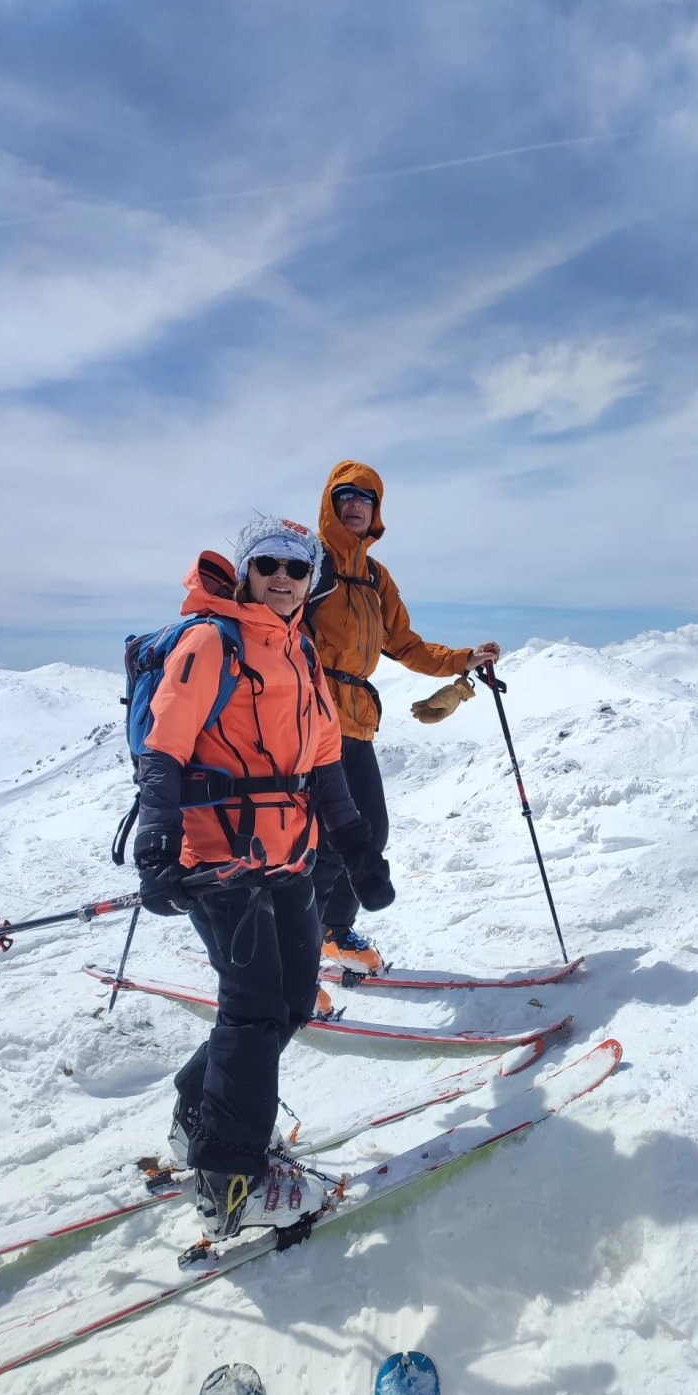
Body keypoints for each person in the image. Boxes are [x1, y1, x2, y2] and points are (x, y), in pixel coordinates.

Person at [133, 515, 394, 1240]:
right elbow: (164, 747)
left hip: (287, 856)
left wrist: (359, 850)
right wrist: (157, 841)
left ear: (313, 580)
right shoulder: (210, 641)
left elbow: (324, 767)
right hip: (219, 858)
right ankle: (230, 1177)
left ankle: (202, 1118)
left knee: (289, 1000)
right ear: (247, 571)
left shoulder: (302, 651)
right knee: (251, 1008)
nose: (282, 578)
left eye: (296, 568)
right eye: (268, 565)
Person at [307, 460, 499, 972]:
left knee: (368, 833)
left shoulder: (374, 577)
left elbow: (405, 645)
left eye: (366, 499)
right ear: (330, 503)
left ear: (376, 512)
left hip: (357, 720)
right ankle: (296, 943)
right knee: (318, 842)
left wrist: (463, 660)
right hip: (309, 719)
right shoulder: (310, 565)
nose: (355, 505)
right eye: (346, 496)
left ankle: (332, 932)